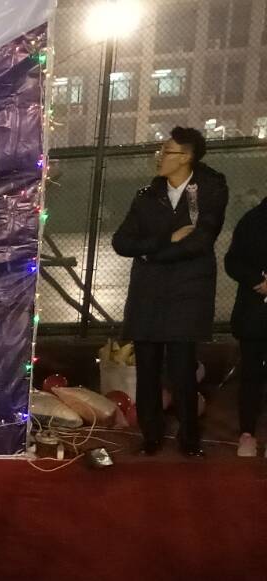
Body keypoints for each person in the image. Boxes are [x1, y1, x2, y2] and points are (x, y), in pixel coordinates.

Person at [111, 126, 227, 457]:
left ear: (186, 157)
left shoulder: (210, 189)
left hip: (188, 293)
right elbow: (122, 242)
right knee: (147, 368)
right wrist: (166, 240)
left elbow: (201, 241)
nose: (160, 157)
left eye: (167, 151)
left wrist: (150, 253)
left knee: (182, 369)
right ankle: (151, 436)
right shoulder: (147, 195)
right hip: (148, 294)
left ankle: (189, 440)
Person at [224, 197, 267, 456]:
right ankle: (247, 434)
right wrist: (257, 281)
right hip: (254, 314)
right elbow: (232, 261)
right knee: (251, 374)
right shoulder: (253, 220)